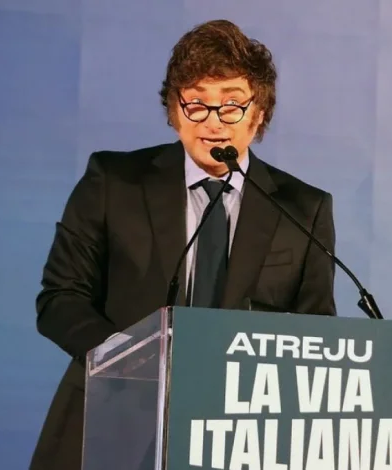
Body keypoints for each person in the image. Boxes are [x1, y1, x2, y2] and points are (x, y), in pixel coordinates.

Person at [29, 19, 337, 469]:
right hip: (110, 423)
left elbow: (315, 336)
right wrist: (127, 358)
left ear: (258, 113)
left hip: (236, 439)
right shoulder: (114, 182)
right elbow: (60, 298)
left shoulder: (303, 209)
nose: (213, 122)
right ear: (174, 111)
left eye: (231, 105)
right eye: (196, 104)